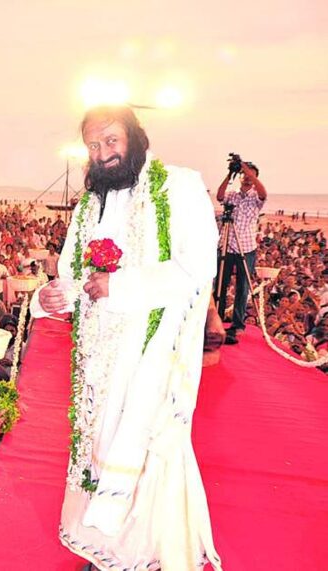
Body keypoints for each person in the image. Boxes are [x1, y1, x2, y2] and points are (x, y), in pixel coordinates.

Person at [30, 105, 221, 570]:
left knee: (146, 449)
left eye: (111, 141)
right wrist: (50, 298)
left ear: (136, 137)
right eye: (94, 146)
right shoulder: (90, 203)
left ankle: (146, 556)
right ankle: (105, 551)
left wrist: (121, 286)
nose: (103, 154)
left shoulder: (178, 185)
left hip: (152, 355)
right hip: (97, 357)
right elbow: (73, 277)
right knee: (98, 444)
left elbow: (197, 270)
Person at [216, 160, 267, 345]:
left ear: (254, 178)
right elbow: (220, 196)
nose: (246, 178)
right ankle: (217, 320)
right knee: (221, 284)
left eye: (250, 176)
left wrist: (246, 168)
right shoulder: (232, 195)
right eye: (244, 176)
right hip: (227, 245)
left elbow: (264, 193)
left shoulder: (256, 197)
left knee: (242, 287)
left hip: (246, 247)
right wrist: (230, 174)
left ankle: (238, 325)